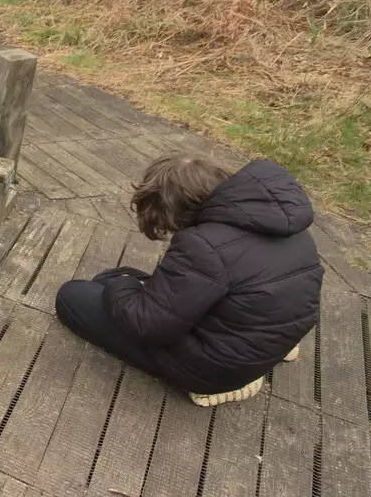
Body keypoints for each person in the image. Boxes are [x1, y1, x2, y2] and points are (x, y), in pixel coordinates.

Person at [54, 153, 323, 407]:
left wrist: (121, 285)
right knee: (113, 277)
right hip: (270, 337)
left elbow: (149, 325)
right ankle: (268, 357)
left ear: (172, 208)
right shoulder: (291, 227)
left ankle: (223, 386)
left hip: (216, 367)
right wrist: (123, 283)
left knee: (73, 295)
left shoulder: (202, 245)